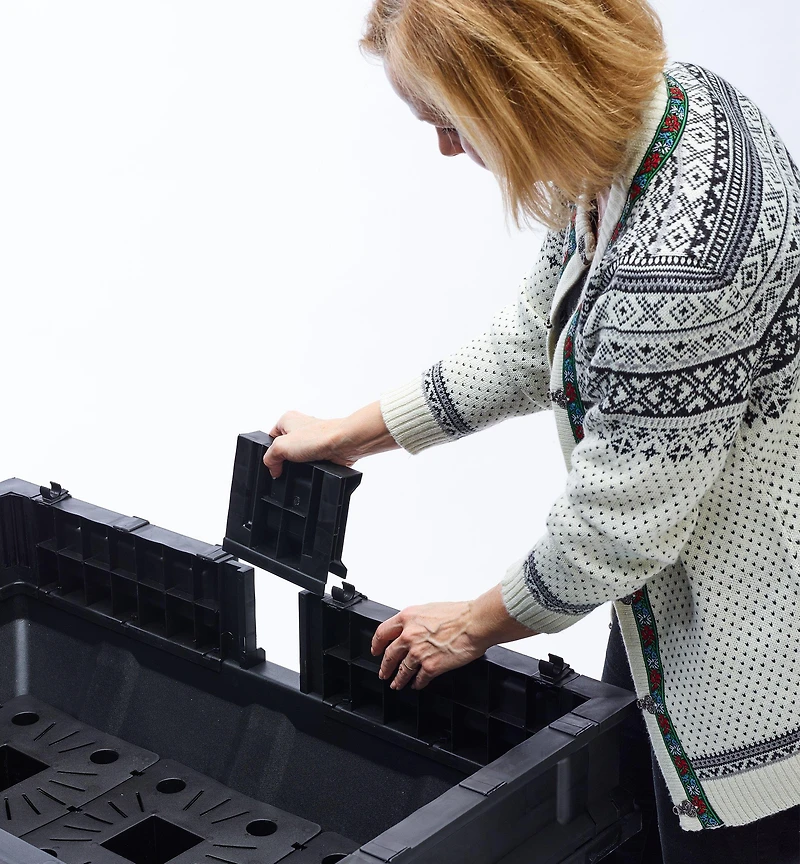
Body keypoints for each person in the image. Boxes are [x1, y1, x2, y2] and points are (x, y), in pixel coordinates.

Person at [262, 1, 800, 861]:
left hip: (754, 648)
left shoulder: (681, 260)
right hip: (672, 593)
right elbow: (534, 337)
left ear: (520, 87)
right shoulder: (660, 123)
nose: (446, 148)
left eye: (448, 119)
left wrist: (470, 626)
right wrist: (350, 435)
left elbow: (615, 532)